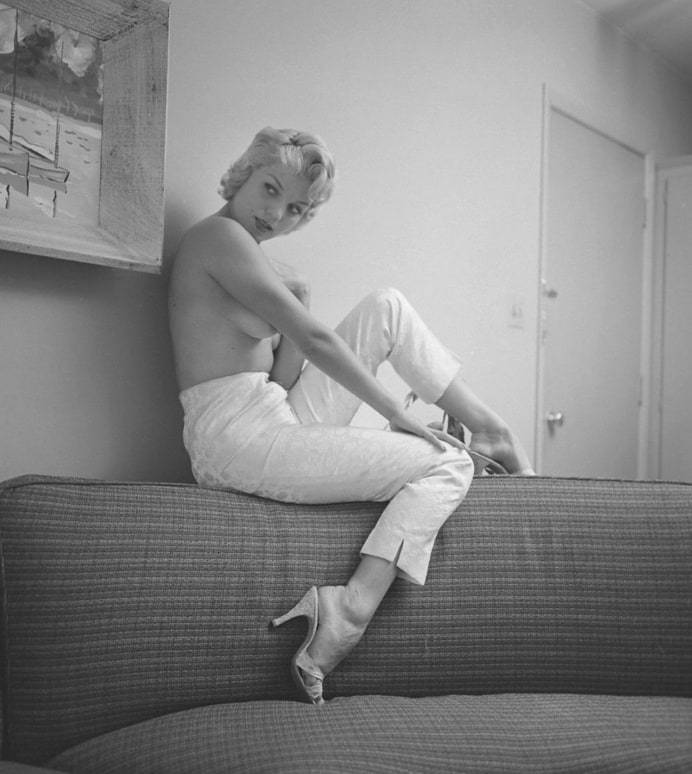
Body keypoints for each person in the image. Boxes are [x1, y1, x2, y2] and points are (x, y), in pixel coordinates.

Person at [169, 127, 534, 705]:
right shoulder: (217, 236)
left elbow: (282, 379)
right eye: (270, 189)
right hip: (234, 438)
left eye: (297, 209)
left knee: (386, 306)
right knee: (446, 464)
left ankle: (490, 429)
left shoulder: (249, 254)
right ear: (243, 175)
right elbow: (317, 342)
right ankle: (349, 609)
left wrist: (300, 297)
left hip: (269, 416)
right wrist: (399, 416)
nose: (277, 214)